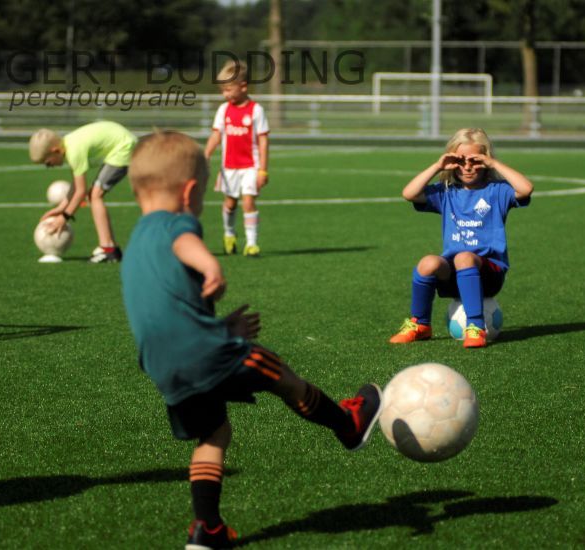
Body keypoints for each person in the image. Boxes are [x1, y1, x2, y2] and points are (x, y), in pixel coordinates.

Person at [121, 130, 381, 549]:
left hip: (165, 368)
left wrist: (221, 328)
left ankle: (207, 530)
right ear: (190, 192)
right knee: (283, 377)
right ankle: (347, 424)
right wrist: (211, 266)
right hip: (207, 355)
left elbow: (168, 317)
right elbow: (182, 239)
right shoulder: (175, 224)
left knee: (214, 434)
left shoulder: (134, 243)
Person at [389, 128, 533, 349]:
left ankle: (475, 326)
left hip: (489, 274)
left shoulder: (497, 191)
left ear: (485, 161)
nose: (467, 167)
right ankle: (421, 324)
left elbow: (526, 188)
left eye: (475, 161)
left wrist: (494, 163)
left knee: (465, 257)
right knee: (428, 262)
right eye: (460, 160)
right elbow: (409, 193)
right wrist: (438, 166)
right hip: (456, 275)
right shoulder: (447, 193)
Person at [29, 120, 137, 262]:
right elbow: (76, 186)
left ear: (55, 151)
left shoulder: (74, 151)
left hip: (124, 147)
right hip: (123, 143)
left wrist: (64, 218)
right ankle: (112, 248)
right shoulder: (69, 144)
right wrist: (61, 208)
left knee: (95, 195)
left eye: (48, 163)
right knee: (94, 195)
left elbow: (80, 192)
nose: (50, 167)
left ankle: (107, 249)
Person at [204, 60, 270, 256]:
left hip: (251, 166)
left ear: (243, 86)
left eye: (228, 89)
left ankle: (251, 243)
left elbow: (263, 141)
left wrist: (263, 170)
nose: (225, 94)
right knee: (230, 203)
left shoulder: (256, 110)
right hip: (229, 167)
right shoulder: (223, 110)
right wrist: (205, 154)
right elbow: (216, 135)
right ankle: (229, 234)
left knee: (248, 201)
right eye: (222, 90)